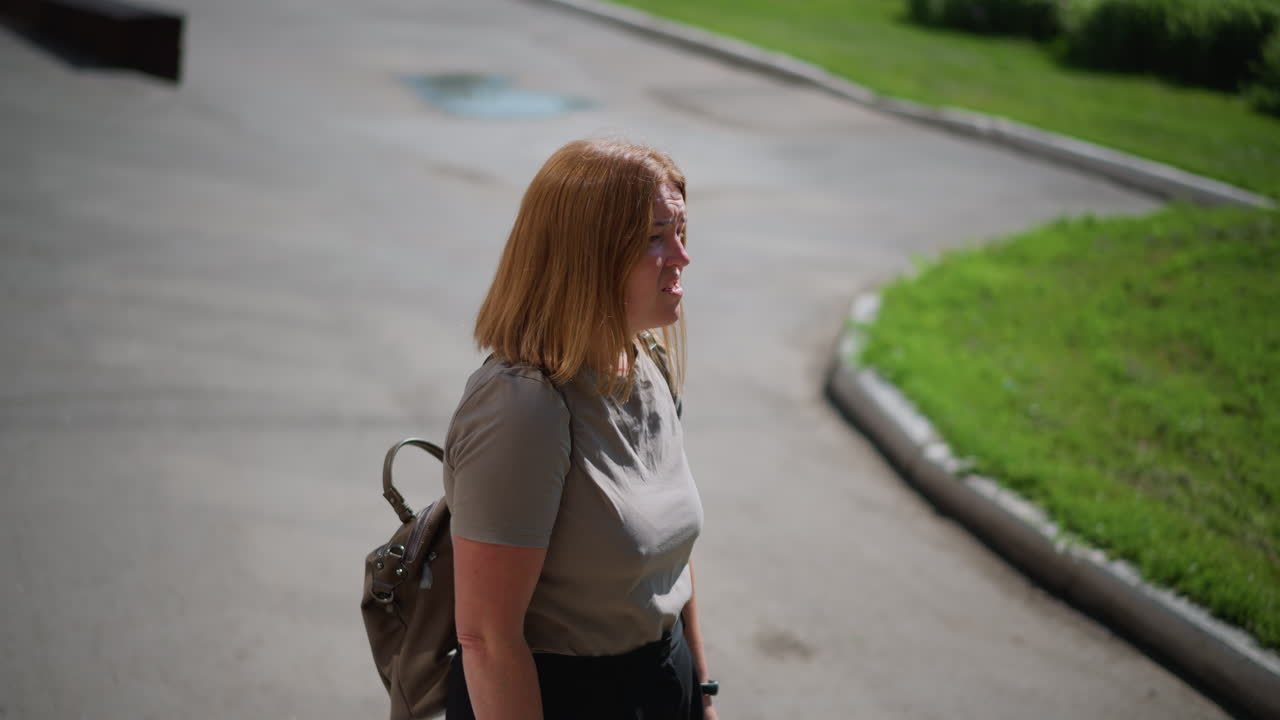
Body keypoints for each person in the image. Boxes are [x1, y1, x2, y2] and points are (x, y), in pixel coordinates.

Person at [441, 138, 715, 720]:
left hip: (665, 685)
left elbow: (668, 565)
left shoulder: (648, 362)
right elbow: (487, 640)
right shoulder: (523, 407)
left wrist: (703, 696)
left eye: (682, 230)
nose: (682, 256)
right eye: (654, 237)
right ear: (588, 256)